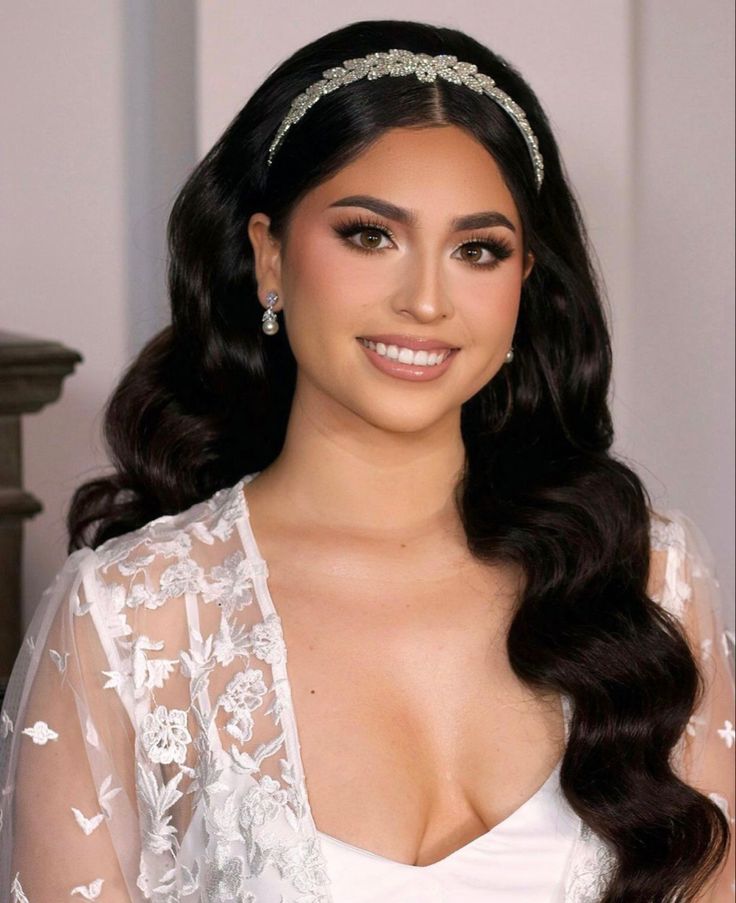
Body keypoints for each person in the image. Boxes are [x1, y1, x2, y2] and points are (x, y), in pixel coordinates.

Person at [0, 18, 733, 903]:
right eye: (368, 235)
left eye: (477, 250)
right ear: (269, 257)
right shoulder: (130, 619)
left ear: (524, 285)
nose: (425, 299)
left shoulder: (646, 577)